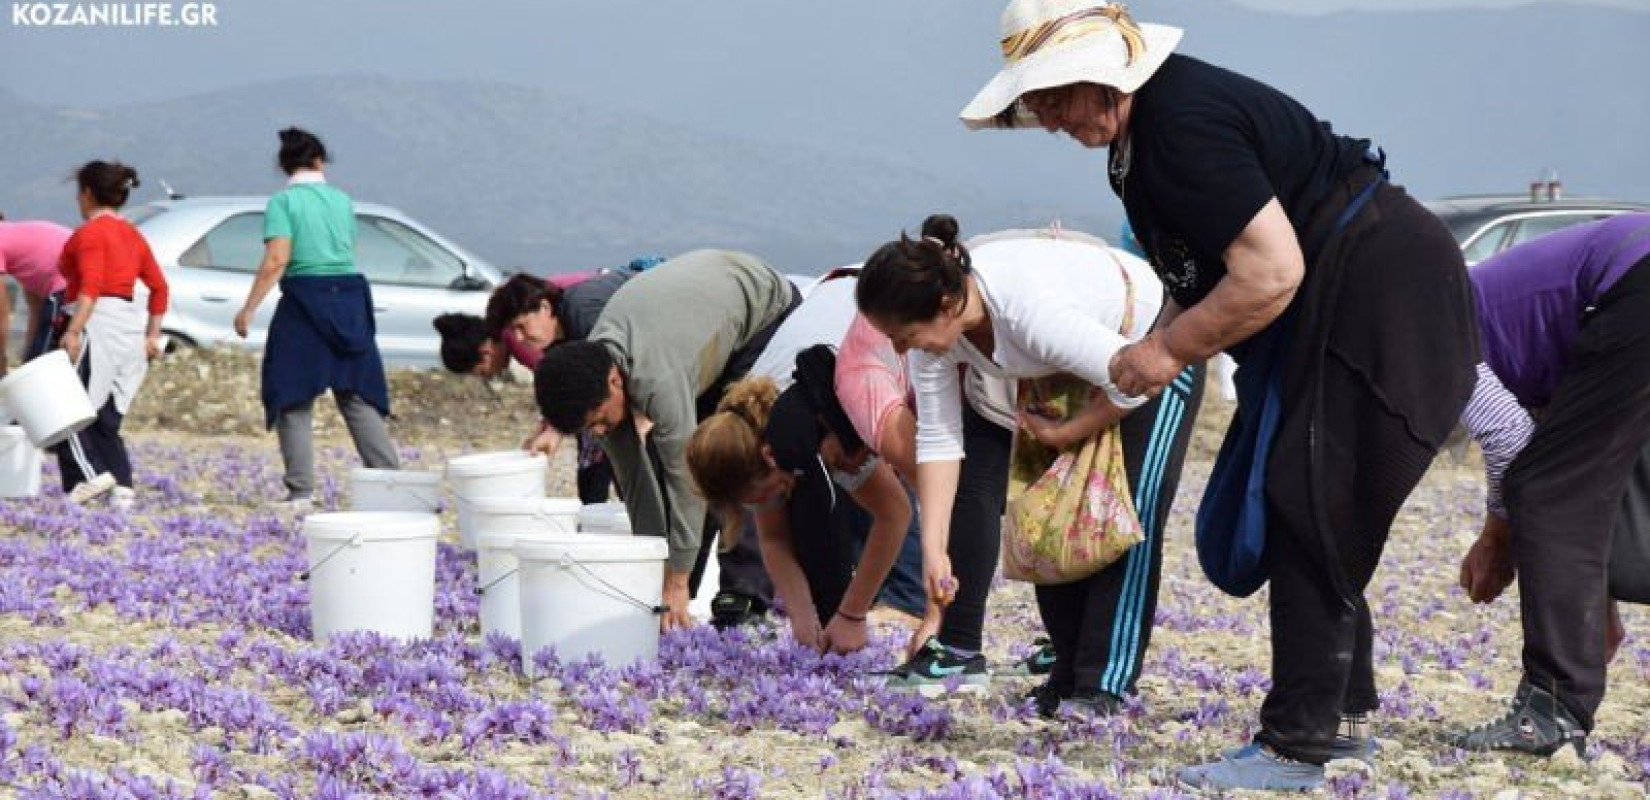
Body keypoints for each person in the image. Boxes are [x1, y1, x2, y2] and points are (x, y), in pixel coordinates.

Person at [957, 0, 1478, 788]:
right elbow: (1193, 282)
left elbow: (1270, 272)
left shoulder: (1180, 126)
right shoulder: (1139, 146)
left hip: (1377, 290)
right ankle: (1337, 716)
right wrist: (1133, 370)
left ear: (1105, 72)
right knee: (1303, 498)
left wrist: (1166, 348)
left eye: (1059, 95)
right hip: (1345, 297)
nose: (1054, 118)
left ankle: (1298, 742)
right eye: (1041, 103)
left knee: (1308, 499)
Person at [857, 216, 1201, 709]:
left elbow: (1135, 378)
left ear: (947, 304)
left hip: (1152, 346)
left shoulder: (1029, 313)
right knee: (1046, 516)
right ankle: (1066, 671)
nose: (899, 348)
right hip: (1072, 372)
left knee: (1123, 515)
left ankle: (1103, 683)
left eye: (904, 334)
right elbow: (938, 439)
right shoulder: (937, 333)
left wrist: (1069, 432)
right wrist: (934, 550)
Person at [1448, 214, 1650, 757]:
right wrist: (1591, 610)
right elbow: (1587, 479)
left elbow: (1511, 440)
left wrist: (1496, 540)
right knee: (1613, 489)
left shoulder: (1428, 330)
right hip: (1629, 286)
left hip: (1633, 283)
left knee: (1545, 492)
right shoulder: (1520, 342)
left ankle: (1552, 710)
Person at [533, 250, 798, 630]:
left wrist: (674, 580)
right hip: (698, 328)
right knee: (673, 453)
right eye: (589, 429)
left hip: (763, 310)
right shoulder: (597, 376)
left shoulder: (654, 377)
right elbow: (635, 481)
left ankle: (742, 594)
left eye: (597, 422)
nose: (599, 433)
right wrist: (653, 568)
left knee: (731, 455)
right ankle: (682, 589)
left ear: (614, 382)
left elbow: (686, 479)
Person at [687, 273, 926, 652]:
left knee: (883, 488)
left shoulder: (823, 414)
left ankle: (909, 603)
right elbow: (773, 535)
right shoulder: (747, 421)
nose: (768, 505)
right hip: (841, 297)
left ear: (769, 455)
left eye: (767, 494)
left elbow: (895, 513)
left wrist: (851, 614)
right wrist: (801, 614)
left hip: (893, 302)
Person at [234, 128, 399, 511]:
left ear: (284, 165)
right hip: (349, 298)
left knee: (292, 393)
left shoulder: (283, 203)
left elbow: (278, 259)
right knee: (357, 392)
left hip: (305, 297)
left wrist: (249, 307)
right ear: (321, 161)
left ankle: (301, 491)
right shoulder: (342, 201)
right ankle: (390, 482)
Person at [435, 268, 636, 503]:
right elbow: (561, 393)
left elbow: (569, 387)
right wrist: (547, 429)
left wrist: (554, 429)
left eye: (482, 372)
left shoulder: (577, 318)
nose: (519, 337)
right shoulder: (547, 330)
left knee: (601, 436)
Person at [50, 161, 170, 509]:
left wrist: (73, 331)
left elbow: (90, 288)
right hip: (130, 327)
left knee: (68, 410)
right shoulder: (133, 234)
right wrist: (152, 334)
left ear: (86, 194)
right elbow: (159, 288)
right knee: (107, 415)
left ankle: (89, 477)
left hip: (96, 322)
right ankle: (122, 489)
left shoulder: (89, 234)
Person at [0, 219, 71, 374]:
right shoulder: (26, 252)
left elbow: (1, 313)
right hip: (84, 286)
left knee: (41, 366)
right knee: (38, 362)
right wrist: (26, 361)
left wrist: (1, 360)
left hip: (69, 283)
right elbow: (36, 311)